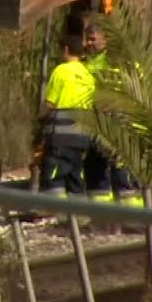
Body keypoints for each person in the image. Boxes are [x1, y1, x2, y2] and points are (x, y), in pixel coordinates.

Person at [82, 22, 143, 208]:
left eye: (92, 39)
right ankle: (108, 205)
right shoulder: (92, 63)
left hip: (116, 120)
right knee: (102, 163)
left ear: (105, 39)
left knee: (117, 163)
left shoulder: (109, 64)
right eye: (87, 39)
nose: (87, 43)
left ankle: (123, 205)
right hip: (103, 119)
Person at [39, 34, 94, 199]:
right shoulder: (88, 74)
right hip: (82, 135)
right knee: (75, 174)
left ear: (66, 49)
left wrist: (39, 118)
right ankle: (78, 209)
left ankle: (53, 207)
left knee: (54, 175)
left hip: (61, 136)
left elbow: (50, 103)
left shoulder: (61, 71)